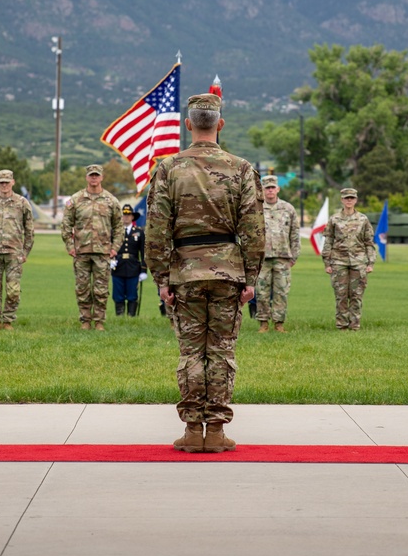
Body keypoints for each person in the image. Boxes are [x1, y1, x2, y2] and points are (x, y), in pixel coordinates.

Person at [146, 92, 265, 453]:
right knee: (222, 351)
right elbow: (254, 229)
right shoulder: (242, 168)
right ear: (220, 124)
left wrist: (161, 278)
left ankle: (192, 430)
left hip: (185, 272)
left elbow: (155, 229)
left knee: (191, 352)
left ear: (188, 125)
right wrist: (251, 277)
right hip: (228, 272)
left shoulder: (168, 168)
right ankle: (215, 430)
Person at [61, 164, 121, 331]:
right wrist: (69, 246)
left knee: (101, 289)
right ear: (87, 177)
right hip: (81, 252)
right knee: (82, 288)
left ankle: (100, 321)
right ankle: (85, 321)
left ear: (101, 177)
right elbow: (66, 225)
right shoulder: (76, 200)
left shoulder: (111, 201)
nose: (94, 178)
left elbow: (118, 227)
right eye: (91, 175)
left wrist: (115, 247)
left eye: (97, 175)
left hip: (103, 252)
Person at [0, 169, 35, 330]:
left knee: (13, 290)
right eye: (1, 182)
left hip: (14, 253)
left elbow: (29, 230)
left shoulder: (22, 203)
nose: (4, 185)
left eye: (7, 182)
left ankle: (8, 320)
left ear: (13, 182)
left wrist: (25, 252)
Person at [320, 188, 376, 330]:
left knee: (356, 295)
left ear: (356, 200)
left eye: (352, 198)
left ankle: (355, 325)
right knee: (341, 295)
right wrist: (327, 262)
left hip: (359, 261)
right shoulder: (334, 219)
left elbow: (369, 242)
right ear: (342, 200)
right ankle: (342, 325)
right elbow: (328, 242)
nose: (349, 200)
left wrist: (371, 262)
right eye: (346, 198)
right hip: (339, 261)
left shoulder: (363, 219)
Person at [255, 175, 301, 333]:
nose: (270, 191)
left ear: (278, 189)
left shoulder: (288, 208)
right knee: (262, 292)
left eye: (272, 187)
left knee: (281, 291)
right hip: (262, 257)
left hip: (283, 257)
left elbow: (294, 233)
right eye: (267, 188)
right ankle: (263, 323)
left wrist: (294, 255)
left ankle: (279, 323)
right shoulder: (257, 208)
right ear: (263, 189)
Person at [112, 204, 146, 316]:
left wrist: (143, 270)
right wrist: (110, 260)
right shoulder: (115, 232)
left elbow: (143, 252)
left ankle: (131, 317)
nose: (126, 217)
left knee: (132, 295)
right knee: (118, 294)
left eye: (128, 215)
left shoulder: (139, 232)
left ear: (132, 217)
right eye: (124, 215)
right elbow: (108, 247)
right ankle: (120, 317)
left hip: (133, 267)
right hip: (118, 266)